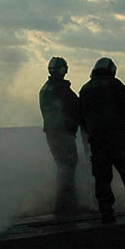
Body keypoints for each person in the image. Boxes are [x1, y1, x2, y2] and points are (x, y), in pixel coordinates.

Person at [78, 57, 125, 224]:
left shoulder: (85, 89)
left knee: (102, 178)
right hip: (117, 137)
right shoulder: (115, 84)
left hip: (97, 140)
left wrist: (90, 136)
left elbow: (82, 116)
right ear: (111, 70)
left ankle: (106, 212)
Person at [40, 56, 84, 215]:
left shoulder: (46, 88)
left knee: (62, 168)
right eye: (64, 68)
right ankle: (67, 206)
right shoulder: (61, 89)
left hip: (52, 133)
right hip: (63, 133)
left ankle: (64, 205)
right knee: (68, 167)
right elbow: (75, 108)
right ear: (61, 70)